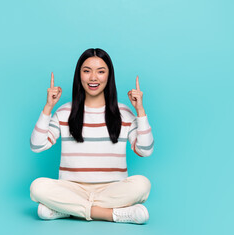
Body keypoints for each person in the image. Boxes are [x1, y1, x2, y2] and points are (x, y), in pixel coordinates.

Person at [29, 48, 154, 224]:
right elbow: (37, 145)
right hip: (72, 189)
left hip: (112, 190)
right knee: (37, 187)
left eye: (100, 71)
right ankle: (111, 214)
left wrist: (140, 111)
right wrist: (48, 107)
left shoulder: (124, 113)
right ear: (79, 75)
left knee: (143, 184)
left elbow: (145, 150)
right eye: (87, 71)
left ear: (109, 76)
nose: (93, 78)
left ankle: (67, 210)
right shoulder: (65, 112)